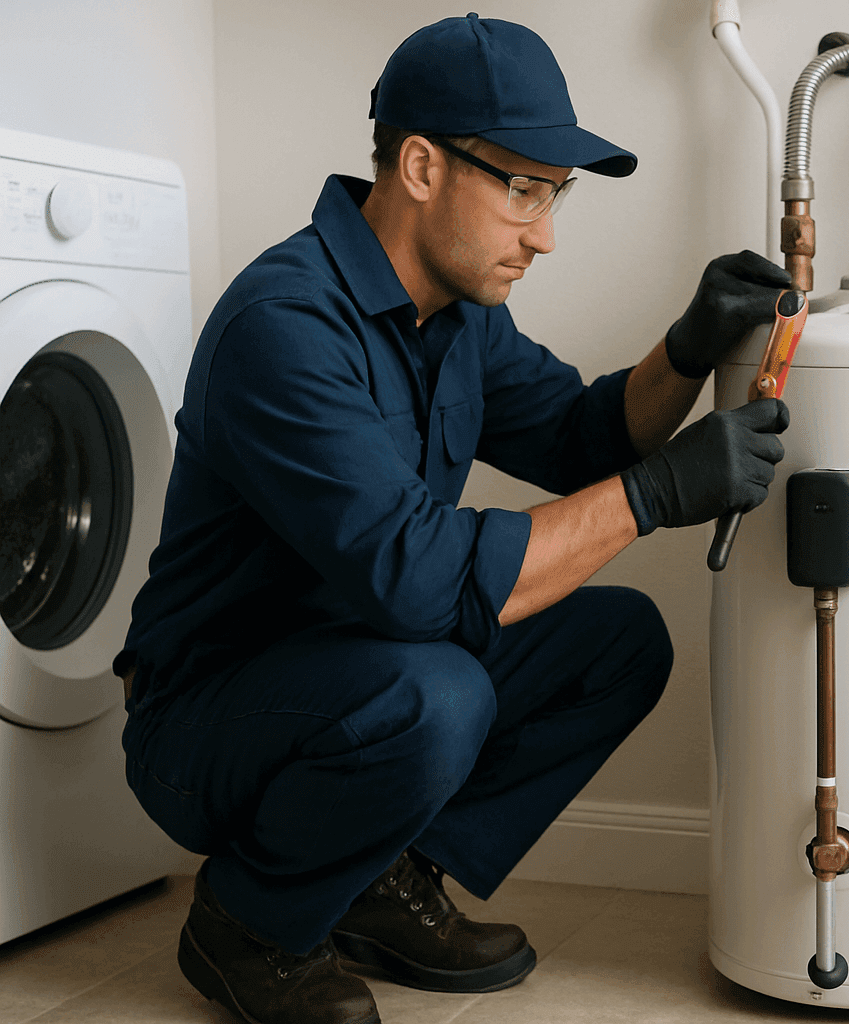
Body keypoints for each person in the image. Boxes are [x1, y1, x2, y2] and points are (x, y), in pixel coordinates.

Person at [114, 15, 793, 1024]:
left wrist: (688, 349)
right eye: (523, 188)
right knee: (438, 693)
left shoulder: (460, 315)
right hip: (210, 717)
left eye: (553, 196)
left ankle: (376, 879)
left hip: (360, 670)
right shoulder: (285, 327)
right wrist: (654, 498)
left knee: (620, 643)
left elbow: (581, 433)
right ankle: (246, 922)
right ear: (422, 166)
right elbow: (421, 581)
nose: (546, 232)